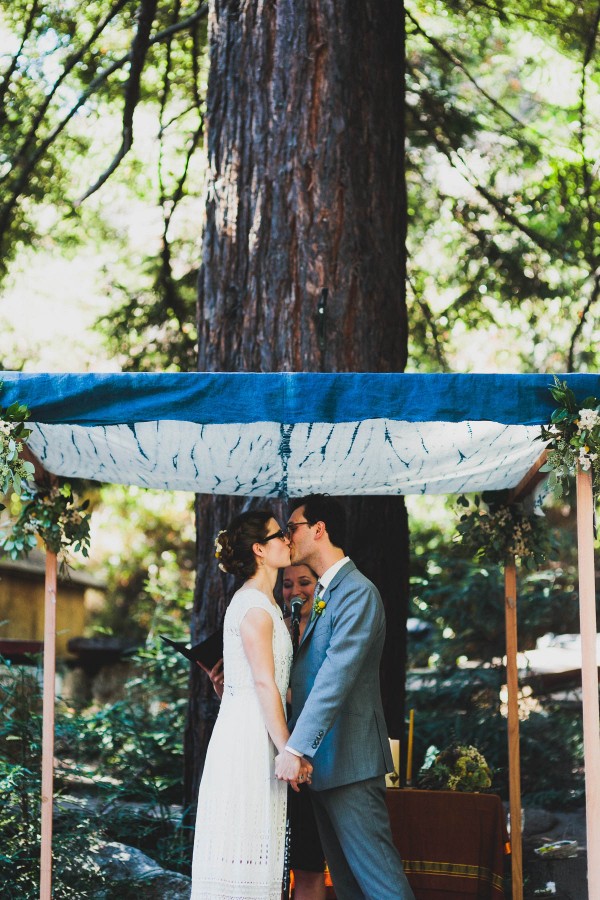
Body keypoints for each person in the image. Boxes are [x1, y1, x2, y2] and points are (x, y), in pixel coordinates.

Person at [275, 495, 415, 900]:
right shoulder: (325, 592)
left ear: (319, 529)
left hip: (350, 763)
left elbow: (335, 677)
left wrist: (296, 747)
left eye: (292, 528)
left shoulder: (357, 592)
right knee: (350, 887)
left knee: (382, 884)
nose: (287, 537)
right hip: (325, 765)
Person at [191, 510, 311, 900]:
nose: (288, 540)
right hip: (249, 741)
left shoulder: (262, 603)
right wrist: (287, 750)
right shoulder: (256, 608)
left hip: (249, 728)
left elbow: (253, 683)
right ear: (260, 549)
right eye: (280, 535)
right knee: (245, 845)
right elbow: (263, 683)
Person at [282, 564, 327, 900]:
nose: (295, 591)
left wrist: (284, 692)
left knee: (308, 865)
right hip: (270, 754)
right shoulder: (275, 630)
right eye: (287, 584)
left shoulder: (328, 630)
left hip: (311, 758)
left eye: (304, 582)